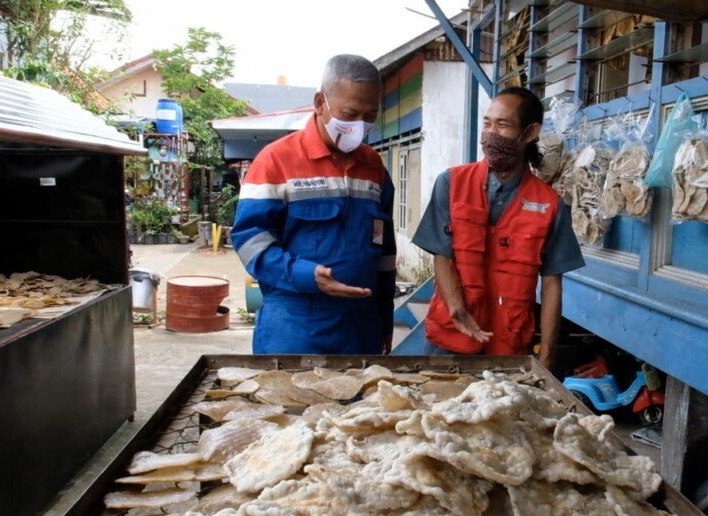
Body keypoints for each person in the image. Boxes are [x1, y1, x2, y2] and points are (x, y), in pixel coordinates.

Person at [231, 54, 396, 354]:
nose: (360, 125)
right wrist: (306, 275)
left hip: (361, 329)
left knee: (366, 402)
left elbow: (384, 253)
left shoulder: (373, 166)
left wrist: (385, 319)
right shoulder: (276, 160)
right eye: (350, 114)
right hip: (295, 326)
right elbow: (249, 241)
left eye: (370, 115)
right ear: (320, 102)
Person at [412, 87, 583, 368]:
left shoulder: (549, 204)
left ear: (530, 133)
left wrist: (547, 358)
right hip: (449, 339)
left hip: (507, 347)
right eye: (487, 124)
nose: (490, 134)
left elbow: (553, 285)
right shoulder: (451, 183)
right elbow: (442, 254)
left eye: (502, 125)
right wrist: (456, 307)